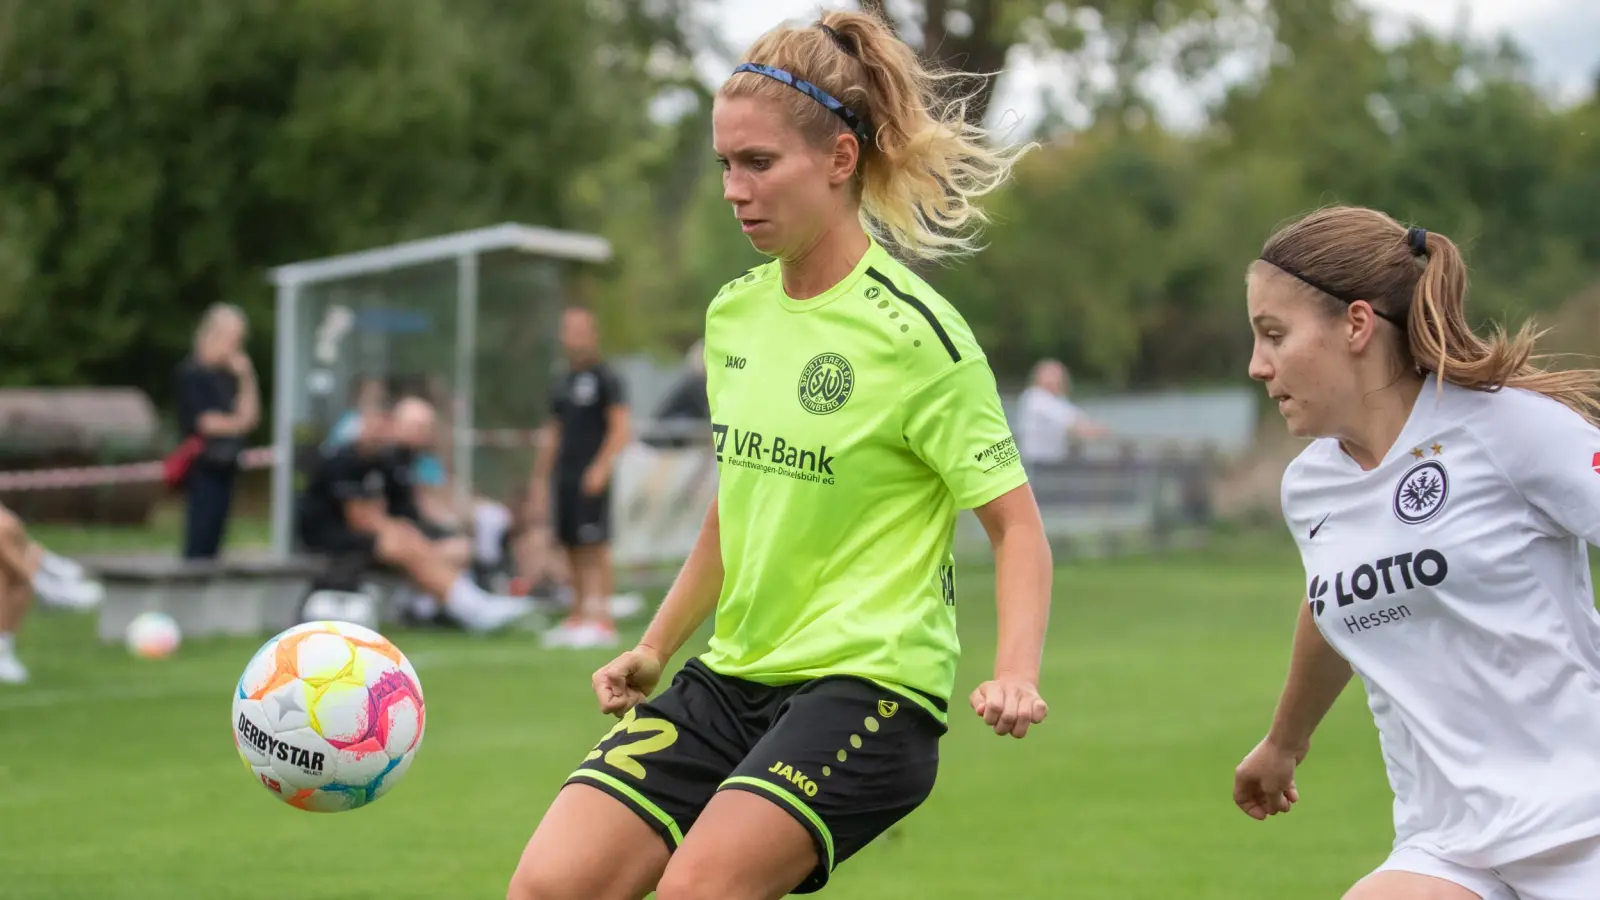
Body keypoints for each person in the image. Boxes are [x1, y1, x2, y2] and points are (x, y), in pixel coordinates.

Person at [507, 10, 1052, 900]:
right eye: (726, 163)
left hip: (870, 687)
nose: (734, 188)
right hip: (731, 677)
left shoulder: (918, 337)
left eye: (759, 163)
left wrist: (1015, 671)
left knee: (696, 892)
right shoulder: (733, 316)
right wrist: (654, 645)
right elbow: (740, 508)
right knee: (550, 886)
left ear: (840, 159)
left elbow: (1016, 526)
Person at [1233, 206, 1600, 900]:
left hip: (1583, 826)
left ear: (1357, 325)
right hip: (1448, 845)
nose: (1258, 365)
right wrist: (1284, 743)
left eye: (1274, 335)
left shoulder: (1511, 430)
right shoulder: (1310, 486)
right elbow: (1335, 598)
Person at [296, 395, 531, 634]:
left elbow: (406, 507)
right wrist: (401, 531)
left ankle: (452, 604)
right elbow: (361, 519)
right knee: (403, 542)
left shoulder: (387, 461)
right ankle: (470, 608)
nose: (380, 433)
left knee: (446, 546)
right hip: (330, 537)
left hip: (373, 534)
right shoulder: (343, 460)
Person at [529, 306, 632, 650]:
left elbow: (620, 429)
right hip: (566, 476)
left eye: (580, 329)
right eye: (568, 329)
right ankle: (576, 617)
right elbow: (553, 432)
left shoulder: (607, 379)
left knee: (595, 544)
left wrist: (601, 467)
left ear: (593, 333)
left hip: (592, 475)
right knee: (570, 543)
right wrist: (541, 478)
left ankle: (603, 619)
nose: (574, 336)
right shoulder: (561, 381)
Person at [174, 303, 259, 560]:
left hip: (227, 461)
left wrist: (247, 377)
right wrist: (237, 422)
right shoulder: (191, 373)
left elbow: (251, 417)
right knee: (200, 533)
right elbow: (207, 423)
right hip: (204, 464)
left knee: (216, 538)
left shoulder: (228, 375)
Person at [1014, 358, 1106, 465]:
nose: (1056, 379)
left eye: (1059, 375)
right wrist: (1093, 431)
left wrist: (1100, 430)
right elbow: (1075, 425)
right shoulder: (1033, 398)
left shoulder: (1058, 400)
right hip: (1036, 465)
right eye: (1051, 375)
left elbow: (1081, 419)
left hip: (1055, 464)